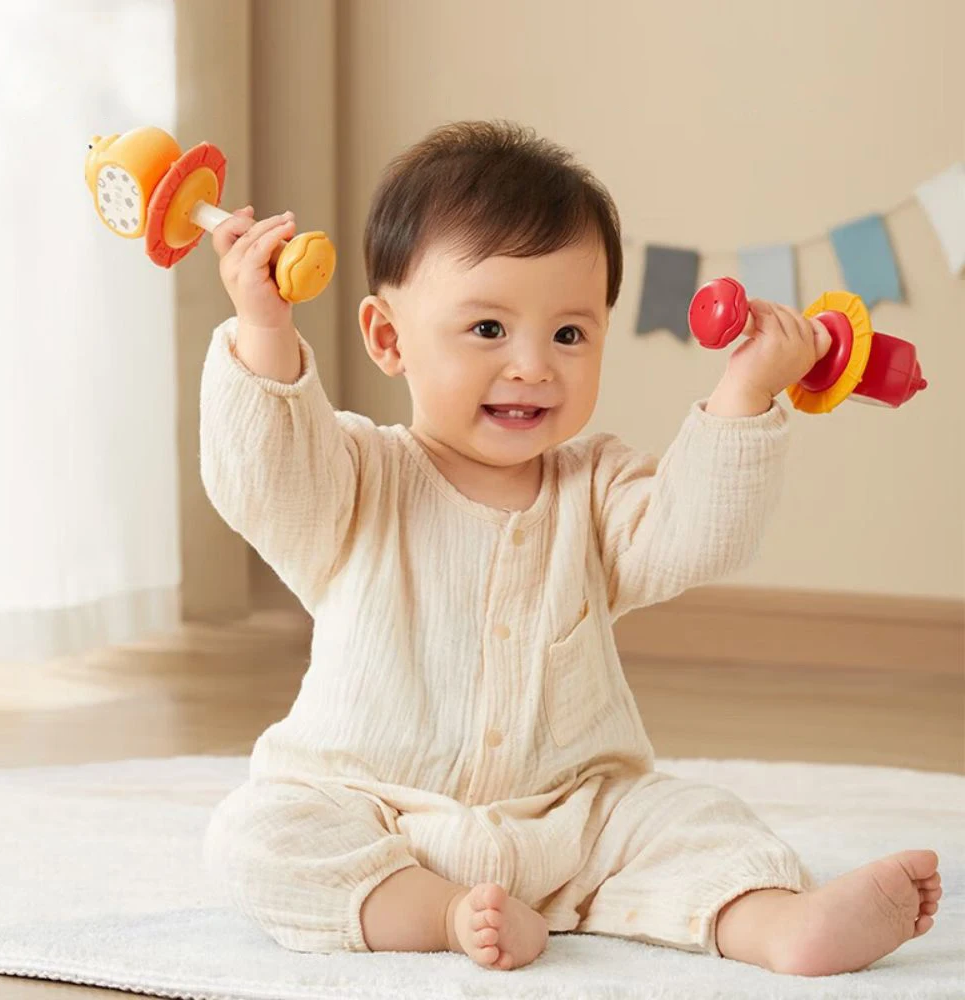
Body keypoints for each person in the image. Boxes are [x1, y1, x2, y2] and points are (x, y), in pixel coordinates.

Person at [199, 120, 941, 975]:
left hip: (576, 818)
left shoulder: (596, 486)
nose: (533, 366)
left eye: (569, 334)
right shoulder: (354, 475)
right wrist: (263, 328)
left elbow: (695, 535)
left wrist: (746, 390)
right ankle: (440, 914)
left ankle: (779, 924)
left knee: (693, 819)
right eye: (487, 330)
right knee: (253, 834)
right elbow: (264, 477)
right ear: (389, 338)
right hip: (374, 812)